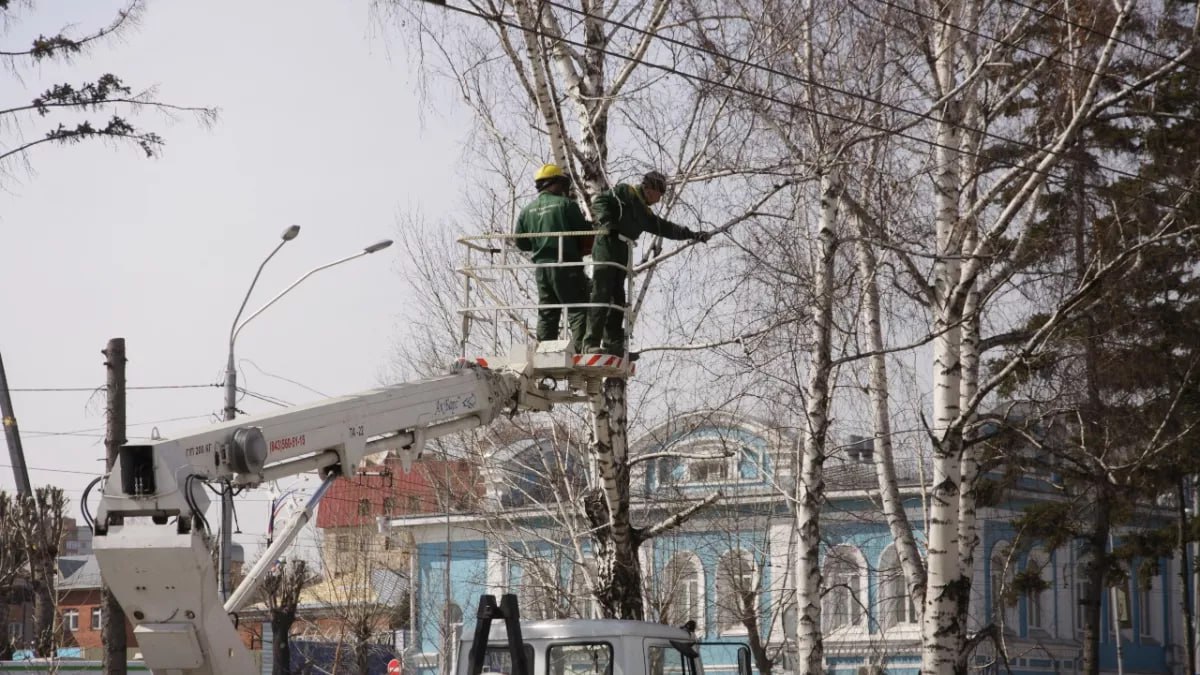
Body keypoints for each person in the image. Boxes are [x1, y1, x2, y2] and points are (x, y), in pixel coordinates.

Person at [582, 170, 711, 355]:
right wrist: (607, 222)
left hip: (622, 250)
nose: (660, 200)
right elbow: (600, 202)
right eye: (660, 194)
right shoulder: (625, 192)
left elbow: (666, 228)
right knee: (602, 292)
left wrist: (692, 234)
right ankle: (590, 342)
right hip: (607, 244)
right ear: (650, 189)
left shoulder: (645, 213)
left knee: (618, 298)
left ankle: (613, 345)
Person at [514, 163, 593, 352]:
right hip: (566, 266)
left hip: (542, 270)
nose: (565, 189)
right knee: (577, 308)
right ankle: (583, 348)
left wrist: (540, 245)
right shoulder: (566, 205)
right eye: (563, 184)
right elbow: (583, 233)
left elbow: (522, 243)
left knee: (548, 312)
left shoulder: (527, 211)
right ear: (554, 183)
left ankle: (545, 350)